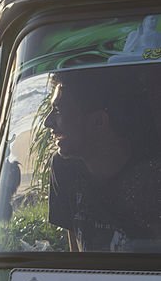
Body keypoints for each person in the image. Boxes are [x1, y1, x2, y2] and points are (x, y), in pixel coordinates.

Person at [46, 66, 161, 252]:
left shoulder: (153, 178)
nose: (48, 122)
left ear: (99, 121)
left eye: (58, 111)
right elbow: (76, 252)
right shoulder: (64, 168)